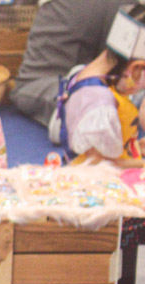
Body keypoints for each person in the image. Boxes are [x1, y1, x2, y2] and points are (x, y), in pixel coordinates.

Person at [11, 0, 128, 132]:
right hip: (130, 5)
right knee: (126, 81)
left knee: (30, 85)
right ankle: (124, 107)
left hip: (71, 7)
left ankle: (84, 108)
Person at [56, 4, 145, 164]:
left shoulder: (86, 73)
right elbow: (99, 168)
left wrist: (132, 147)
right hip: (97, 177)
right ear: (136, 68)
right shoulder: (99, 104)